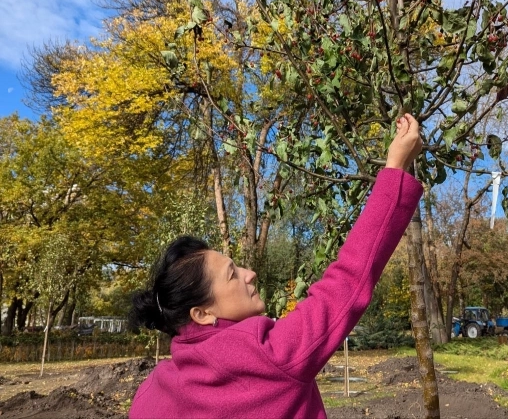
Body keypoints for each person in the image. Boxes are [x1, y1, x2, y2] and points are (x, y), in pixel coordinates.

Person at [128, 113, 423, 419]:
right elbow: (349, 278)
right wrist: (395, 170)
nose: (249, 274)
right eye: (233, 274)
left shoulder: (151, 392)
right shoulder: (265, 356)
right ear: (202, 314)